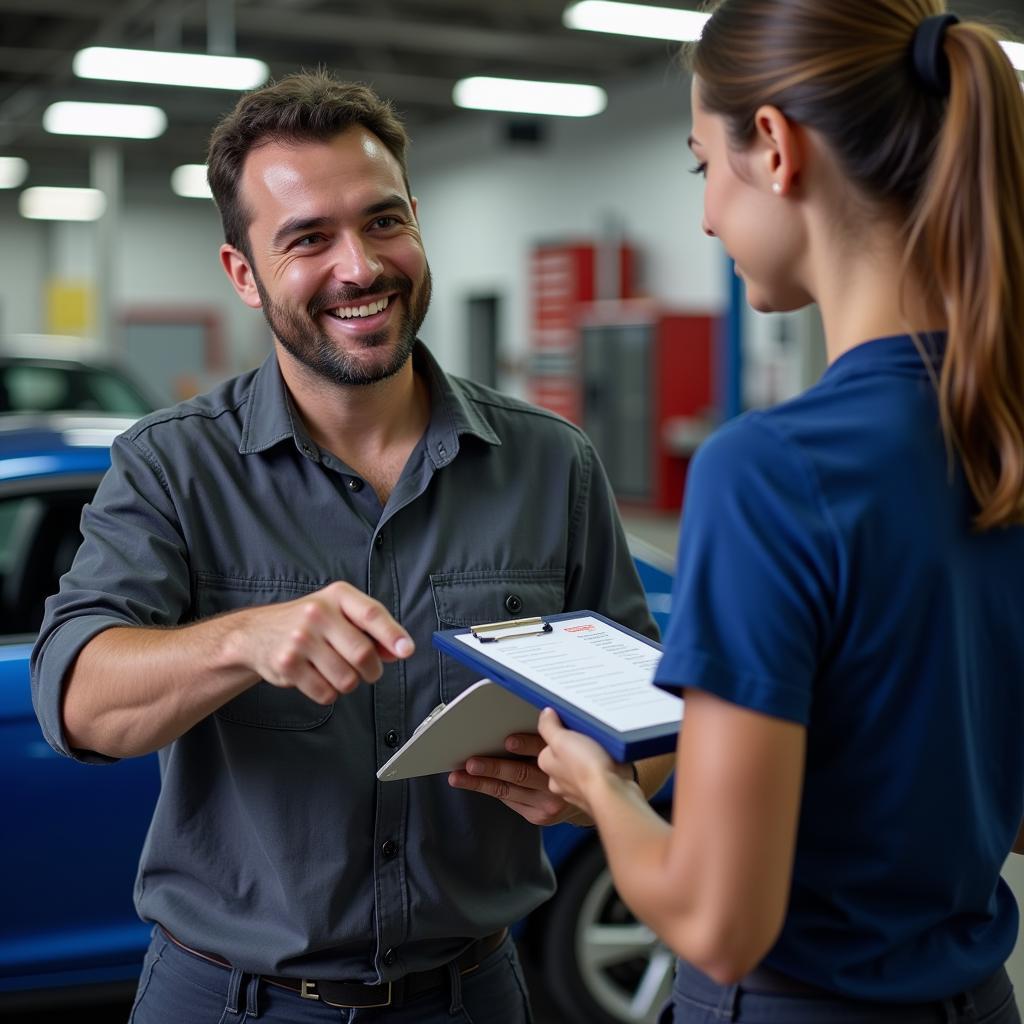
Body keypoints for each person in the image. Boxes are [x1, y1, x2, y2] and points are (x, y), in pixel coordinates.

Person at [30, 71, 671, 1023]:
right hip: (226, 1001)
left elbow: (648, 722)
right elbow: (76, 705)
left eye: (382, 222)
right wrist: (243, 640)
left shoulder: (552, 464)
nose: (360, 266)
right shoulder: (170, 468)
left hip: (472, 994)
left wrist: (591, 787)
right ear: (243, 273)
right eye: (307, 239)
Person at [537, 3, 1024, 1022]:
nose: (706, 215)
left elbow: (719, 921)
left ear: (772, 148)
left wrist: (603, 793)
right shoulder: (1002, 430)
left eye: (697, 165)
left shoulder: (768, 470)